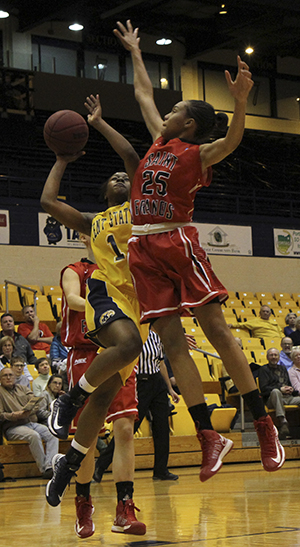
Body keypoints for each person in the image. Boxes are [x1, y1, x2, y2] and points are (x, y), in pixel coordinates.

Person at [112, 19, 285, 476]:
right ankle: (209, 434)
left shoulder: (197, 153)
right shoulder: (158, 142)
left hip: (176, 239)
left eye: (174, 111)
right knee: (171, 342)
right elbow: (144, 95)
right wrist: (134, 51)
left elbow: (231, 140)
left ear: (187, 123)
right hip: (143, 249)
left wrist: (242, 102)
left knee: (217, 330)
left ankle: (264, 423)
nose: (163, 113)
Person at [40, 100, 147, 532]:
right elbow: (48, 201)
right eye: (115, 178)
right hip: (106, 300)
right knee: (121, 353)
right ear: (105, 194)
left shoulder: (141, 208)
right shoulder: (94, 221)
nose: (123, 177)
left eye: (127, 178)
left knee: (106, 399)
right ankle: (68, 399)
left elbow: (134, 159)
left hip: (135, 309)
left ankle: (67, 471)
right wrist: (61, 160)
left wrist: (100, 124)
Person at [57, 232, 145, 538]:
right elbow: (71, 300)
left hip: (118, 352)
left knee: (124, 427)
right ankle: (83, 502)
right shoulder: (75, 270)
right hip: (84, 352)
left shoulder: (122, 271)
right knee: (89, 435)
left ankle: (125, 508)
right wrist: (110, 309)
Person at [94, 328, 180, 483]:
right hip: (139, 382)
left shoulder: (155, 335)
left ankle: (161, 470)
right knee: (129, 428)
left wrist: (169, 388)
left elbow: (161, 363)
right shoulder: (131, 336)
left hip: (157, 383)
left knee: (162, 426)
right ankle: (100, 466)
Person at [0, 368, 58, 479]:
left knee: (52, 433)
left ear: (15, 377)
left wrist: (28, 412)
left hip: (30, 422)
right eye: (5, 375)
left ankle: (50, 466)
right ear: (0, 379)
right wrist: (15, 415)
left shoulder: (23, 388)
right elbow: (1, 415)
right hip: (12, 427)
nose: (8, 378)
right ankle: (44, 470)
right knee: (33, 435)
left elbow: (36, 402)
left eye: (10, 375)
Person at [258, 348, 300, 439]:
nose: (274, 357)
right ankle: (283, 421)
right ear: (267, 357)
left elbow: (288, 383)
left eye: (275, 355)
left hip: (288, 398)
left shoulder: (283, 368)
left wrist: (290, 389)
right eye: (271, 355)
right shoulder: (263, 369)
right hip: (272, 399)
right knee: (276, 391)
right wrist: (280, 389)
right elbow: (264, 389)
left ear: (279, 357)